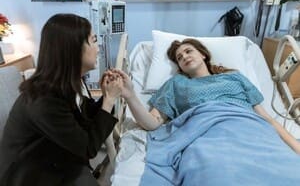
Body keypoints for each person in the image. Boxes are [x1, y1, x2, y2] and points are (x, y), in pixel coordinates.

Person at [109, 38, 300, 154]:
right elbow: (152, 123)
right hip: (207, 138)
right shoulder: (176, 84)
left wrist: (295, 147)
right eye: (179, 58)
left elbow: (265, 118)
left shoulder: (234, 76)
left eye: (188, 51)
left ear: (203, 54)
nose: (184, 57)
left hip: (250, 131)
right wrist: (130, 94)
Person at [0, 14, 122, 186]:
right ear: (73, 49)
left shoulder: (70, 82)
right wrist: (109, 100)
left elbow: (85, 116)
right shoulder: (44, 100)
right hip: (27, 174)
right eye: (94, 41)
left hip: (55, 153)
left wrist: (106, 94)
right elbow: (88, 148)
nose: (98, 47)